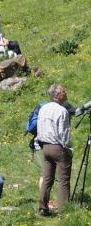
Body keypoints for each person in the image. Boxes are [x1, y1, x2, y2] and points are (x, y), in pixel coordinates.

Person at [38, 84, 73, 215]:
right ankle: (63, 211)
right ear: (57, 95)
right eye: (64, 91)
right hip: (58, 147)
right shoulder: (62, 111)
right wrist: (68, 149)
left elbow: (39, 128)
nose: (66, 92)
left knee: (47, 178)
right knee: (63, 179)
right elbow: (63, 133)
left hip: (45, 147)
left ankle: (42, 207)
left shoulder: (43, 108)